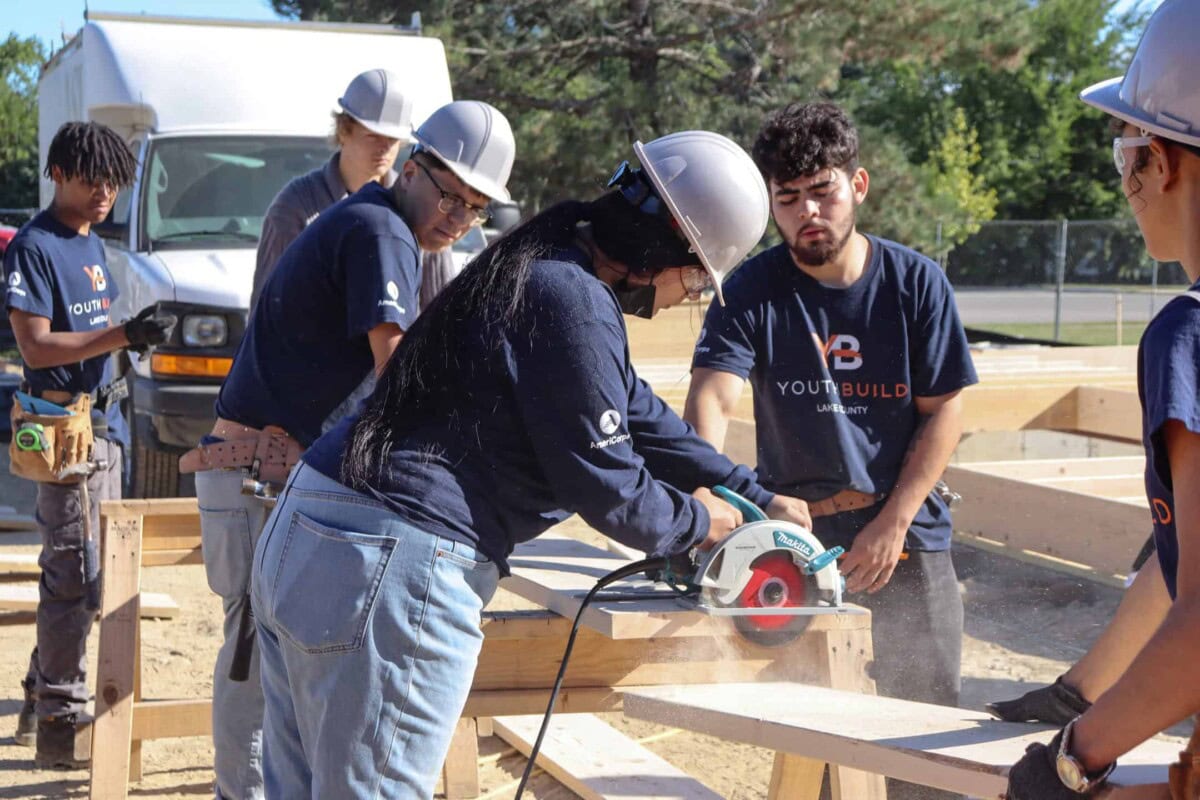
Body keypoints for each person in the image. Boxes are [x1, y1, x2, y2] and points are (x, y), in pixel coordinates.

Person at [249, 130, 815, 798]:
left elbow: (637, 413)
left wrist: (751, 492)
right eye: (694, 279)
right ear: (664, 249)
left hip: (311, 524)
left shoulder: (538, 263)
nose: (683, 296)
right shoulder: (571, 298)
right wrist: (704, 524)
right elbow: (608, 489)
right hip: (389, 564)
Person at [180, 99, 515, 800]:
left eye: (474, 208)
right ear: (413, 167)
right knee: (254, 666)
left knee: (274, 664)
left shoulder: (373, 221)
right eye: (449, 195)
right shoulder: (378, 228)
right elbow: (399, 371)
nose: (455, 218)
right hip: (255, 470)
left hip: (267, 467)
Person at [684, 102, 978, 798]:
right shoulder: (749, 289)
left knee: (927, 739)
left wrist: (895, 520)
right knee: (819, 740)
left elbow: (944, 414)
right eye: (787, 199)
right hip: (797, 538)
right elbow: (713, 398)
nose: (807, 211)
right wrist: (707, 496)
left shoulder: (914, 284)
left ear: (859, 185)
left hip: (903, 533)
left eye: (823, 190)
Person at [999, 2, 1200, 796]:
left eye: (1128, 155)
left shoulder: (1188, 333)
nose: (1128, 184)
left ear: (1162, 159)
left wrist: (1074, 757)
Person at [4, 121, 173, 769]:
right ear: (57, 174)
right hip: (58, 432)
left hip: (100, 427)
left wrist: (133, 341)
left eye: (113, 181)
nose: (104, 191)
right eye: (91, 179)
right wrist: (121, 337)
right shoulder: (35, 247)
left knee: (89, 581)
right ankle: (60, 720)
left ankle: (39, 690)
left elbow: (95, 337)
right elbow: (37, 346)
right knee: (75, 580)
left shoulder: (90, 244)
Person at [249, 68, 414, 310]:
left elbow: (437, 304)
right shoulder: (296, 206)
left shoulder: (412, 206)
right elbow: (267, 309)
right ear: (344, 130)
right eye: (373, 136)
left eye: (392, 138)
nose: (384, 148)